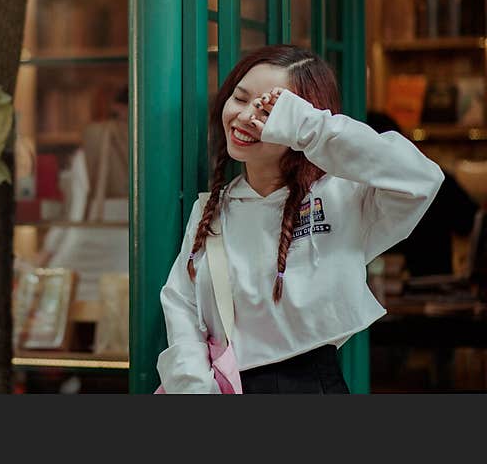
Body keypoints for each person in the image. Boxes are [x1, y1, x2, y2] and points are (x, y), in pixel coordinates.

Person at [157, 45, 443, 393]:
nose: (246, 116)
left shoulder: (342, 195)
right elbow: (181, 304)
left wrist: (309, 127)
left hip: (310, 385)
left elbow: (422, 179)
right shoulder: (212, 208)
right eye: (240, 98)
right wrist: (193, 387)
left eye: (268, 109)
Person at [366, 112, 478, 278]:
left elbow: (470, 222)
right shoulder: (437, 179)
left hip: (425, 284)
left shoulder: (438, 181)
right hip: (433, 282)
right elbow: (470, 223)